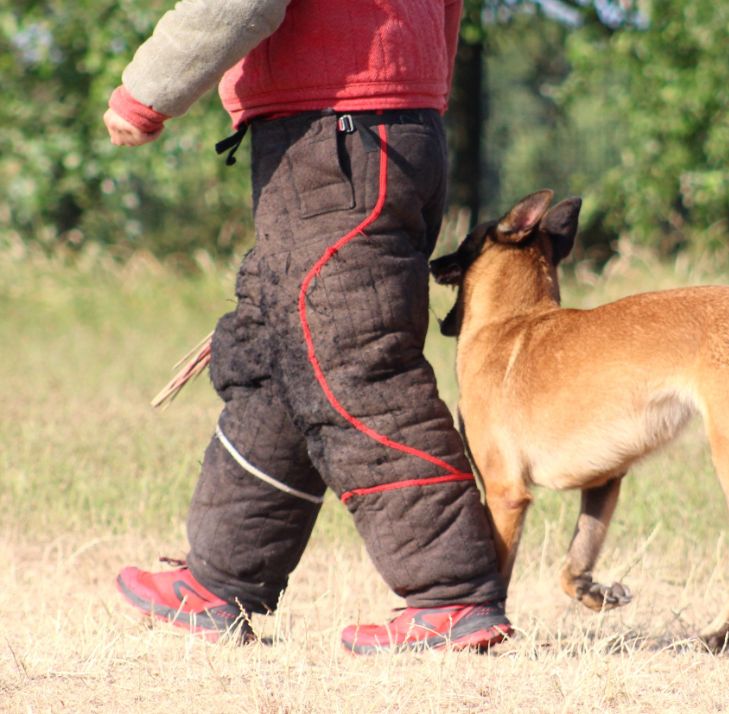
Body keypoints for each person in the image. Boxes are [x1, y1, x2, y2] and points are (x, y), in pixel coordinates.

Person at [105, 0, 512, 653]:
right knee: (277, 357)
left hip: (339, 132)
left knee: (354, 363)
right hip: (389, 128)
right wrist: (420, 94)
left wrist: (145, 93)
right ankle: (221, 578)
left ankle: (451, 594)